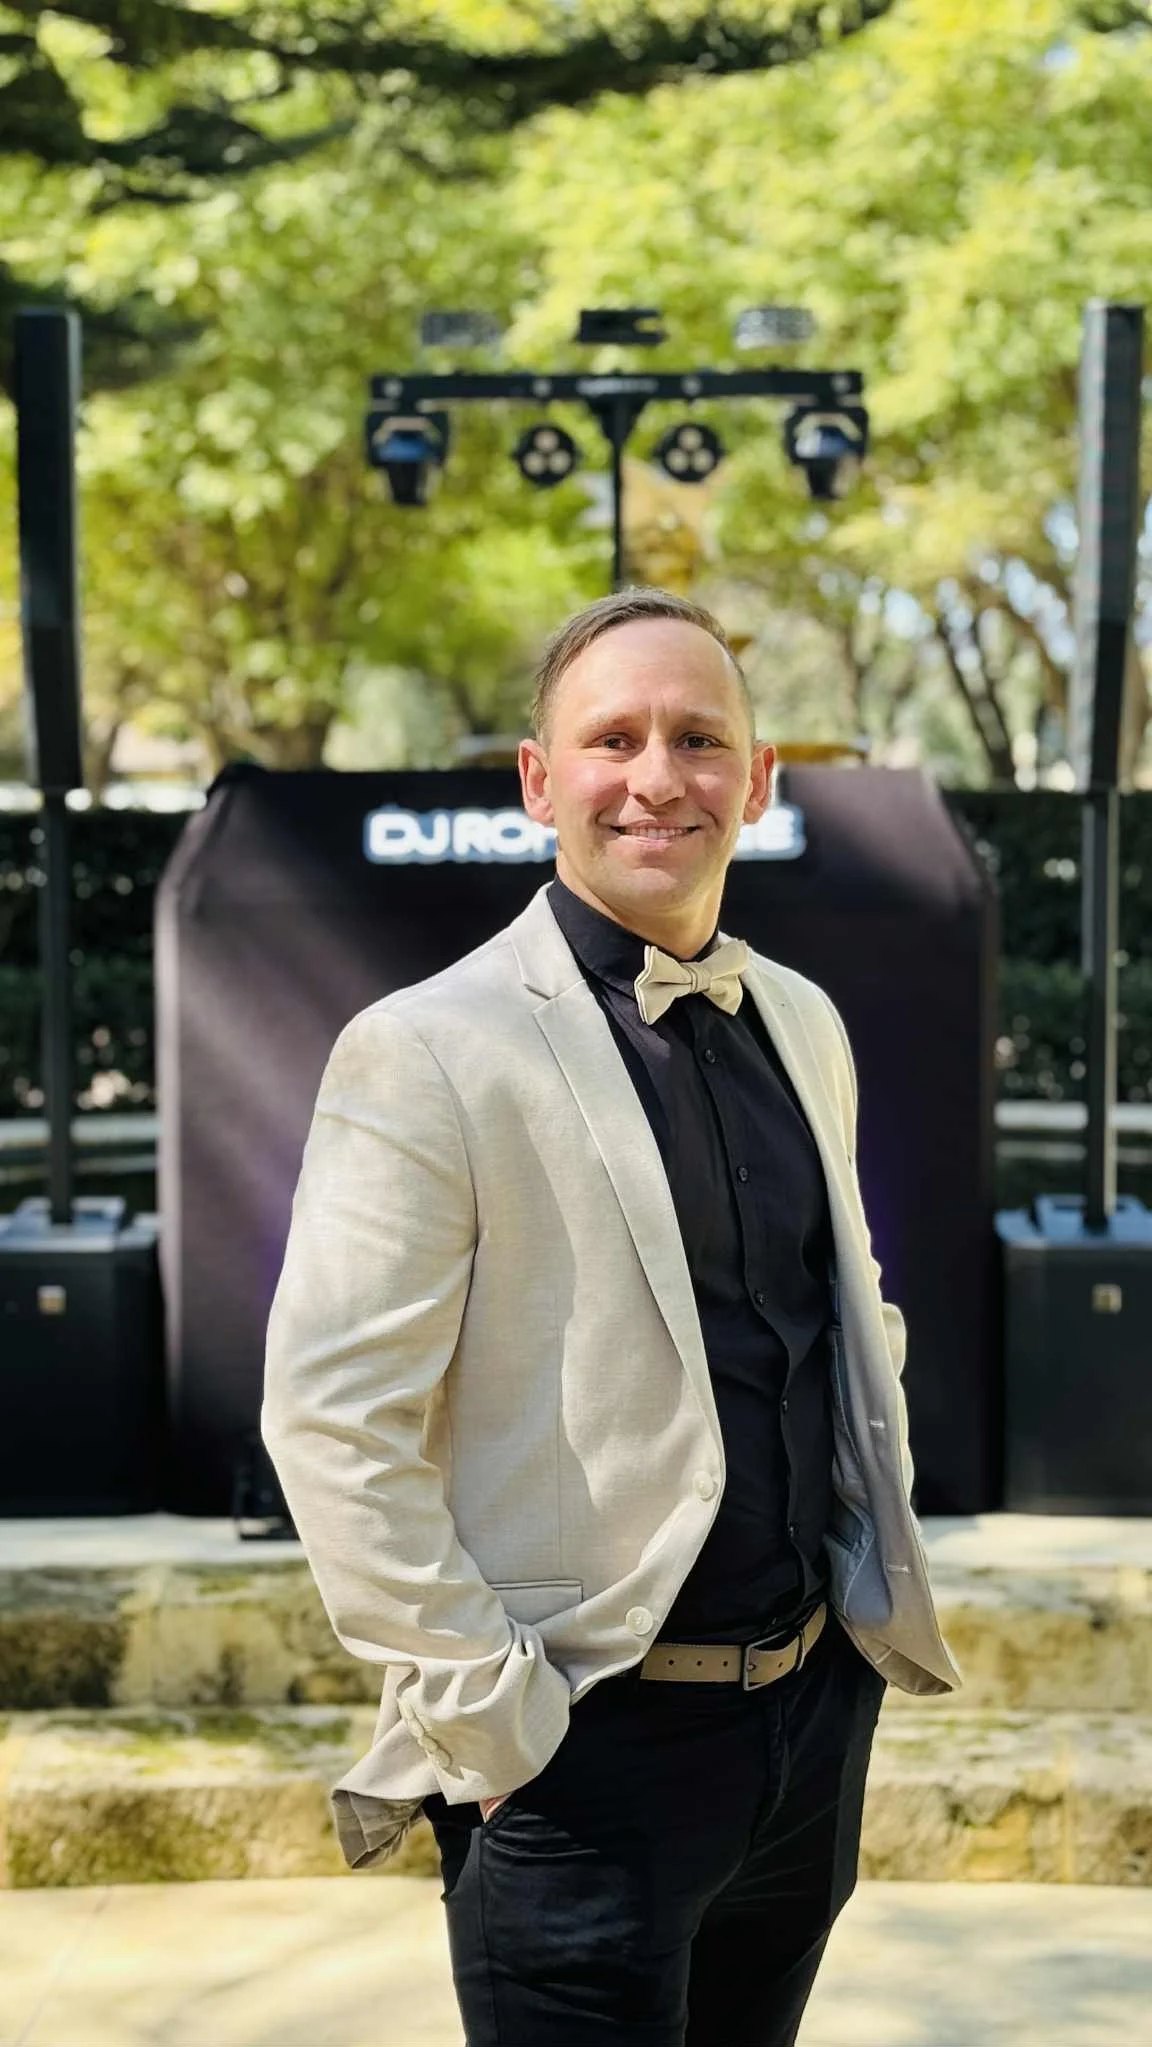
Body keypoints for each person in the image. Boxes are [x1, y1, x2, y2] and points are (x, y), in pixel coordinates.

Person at [262, 586, 960, 2047]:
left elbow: (851, 1319)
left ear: (757, 780)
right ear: (541, 779)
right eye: (614, 736)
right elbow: (333, 1427)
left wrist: (847, 1625)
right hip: (578, 1760)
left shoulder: (807, 1021)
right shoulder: (428, 1049)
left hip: (804, 1736)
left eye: (700, 738)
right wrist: (497, 1719)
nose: (658, 775)